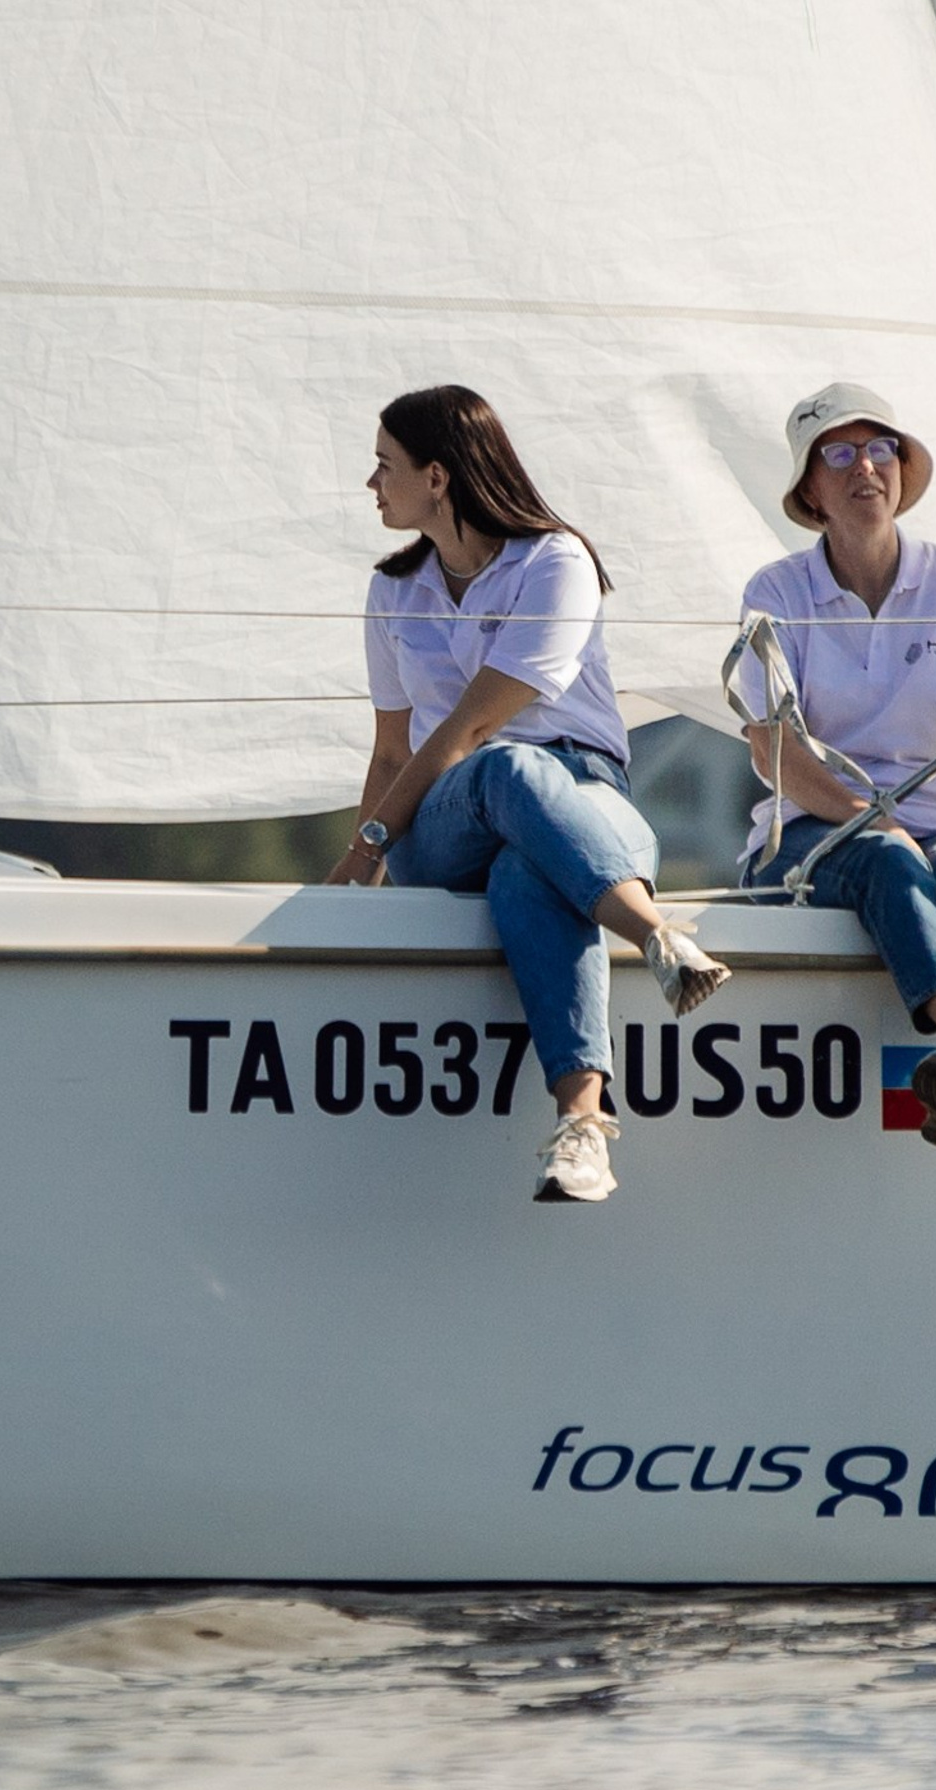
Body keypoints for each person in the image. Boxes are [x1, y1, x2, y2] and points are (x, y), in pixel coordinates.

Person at [329, 384, 728, 1204]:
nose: (371, 484)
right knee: (510, 771)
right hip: (446, 818)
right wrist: (360, 860)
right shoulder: (392, 591)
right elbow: (401, 748)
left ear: (436, 477)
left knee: (525, 865)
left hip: (584, 795)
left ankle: (582, 1129)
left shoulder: (556, 561)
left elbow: (475, 725)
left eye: (383, 466)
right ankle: (655, 936)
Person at [735, 381, 936, 1153]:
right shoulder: (774, 591)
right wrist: (872, 820)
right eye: (839, 454)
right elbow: (771, 748)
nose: (864, 467)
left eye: (879, 450)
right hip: (811, 833)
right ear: (810, 489)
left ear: (901, 471)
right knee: (886, 863)